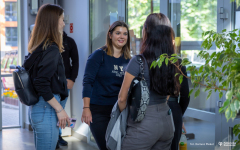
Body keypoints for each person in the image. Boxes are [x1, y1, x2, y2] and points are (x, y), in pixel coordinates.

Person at [118, 15, 180, 150]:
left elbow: (122, 98)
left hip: (144, 123)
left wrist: (131, 115)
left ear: (147, 31)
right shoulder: (173, 61)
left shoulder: (138, 61)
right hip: (167, 121)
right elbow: (169, 93)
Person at [23, 4, 70, 150]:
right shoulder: (51, 48)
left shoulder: (38, 47)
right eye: (62, 19)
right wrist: (59, 110)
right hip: (46, 110)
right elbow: (41, 83)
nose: (63, 23)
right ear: (53, 21)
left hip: (40, 110)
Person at [81, 21, 131, 150]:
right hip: (99, 111)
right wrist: (86, 108)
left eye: (125, 34)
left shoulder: (129, 60)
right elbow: (87, 82)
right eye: (118, 33)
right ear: (110, 35)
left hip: (120, 110)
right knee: (106, 147)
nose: (122, 36)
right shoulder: (98, 55)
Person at [144, 13, 190, 150]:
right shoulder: (178, 62)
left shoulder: (143, 60)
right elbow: (186, 96)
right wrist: (178, 115)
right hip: (173, 110)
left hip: (148, 112)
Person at [56, 31, 79, 148]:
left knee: (61, 109)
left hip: (65, 81)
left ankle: (58, 136)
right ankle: (54, 136)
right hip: (49, 82)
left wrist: (72, 79)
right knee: (53, 110)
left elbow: (75, 62)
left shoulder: (69, 41)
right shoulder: (47, 40)